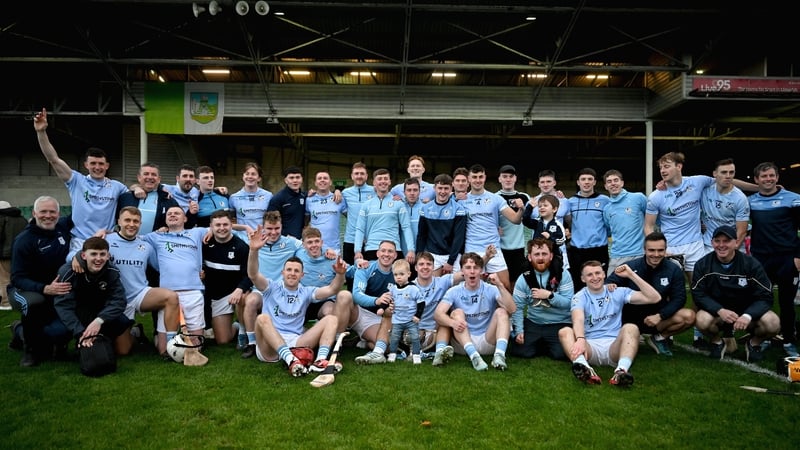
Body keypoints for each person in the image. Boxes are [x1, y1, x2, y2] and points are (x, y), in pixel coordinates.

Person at [247, 230, 347, 377]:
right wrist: (253, 250)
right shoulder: (271, 287)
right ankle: (291, 360)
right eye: (288, 270)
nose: (292, 273)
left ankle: (320, 361)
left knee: (331, 318)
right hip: (269, 346)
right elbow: (253, 274)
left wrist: (340, 274)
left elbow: (332, 289)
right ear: (282, 273)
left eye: (296, 271)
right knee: (262, 318)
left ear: (302, 275)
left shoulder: (306, 291)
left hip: (296, 341)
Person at [33, 108, 129, 260]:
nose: (97, 167)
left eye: (101, 164)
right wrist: (41, 132)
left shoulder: (117, 187)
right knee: (74, 270)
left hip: (107, 241)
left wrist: (139, 188)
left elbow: (135, 194)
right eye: (93, 163)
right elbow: (53, 159)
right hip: (80, 242)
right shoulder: (76, 180)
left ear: (107, 166)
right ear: (86, 165)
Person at [239, 211, 336, 358]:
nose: (273, 232)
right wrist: (246, 229)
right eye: (269, 229)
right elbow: (252, 273)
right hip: (264, 286)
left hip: (285, 289)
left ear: (281, 227)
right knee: (252, 301)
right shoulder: (255, 240)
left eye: (277, 228)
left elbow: (312, 243)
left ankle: (317, 354)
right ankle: (252, 343)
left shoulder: (291, 242)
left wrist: (327, 250)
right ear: (263, 227)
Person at [559, 261, 661, 387]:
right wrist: (580, 339)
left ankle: (621, 371)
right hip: (590, 348)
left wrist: (631, 275)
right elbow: (578, 319)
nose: (595, 277)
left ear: (604, 275)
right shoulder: (579, 297)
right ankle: (585, 369)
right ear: (583, 278)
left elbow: (654, 298)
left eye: (597, 273)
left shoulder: (618, 292)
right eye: (590, 275)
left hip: (615, 347)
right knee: (564, 331)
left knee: (631, 327)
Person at [691, 225, 781, 362]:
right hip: (719, 314)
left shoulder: (751, 264)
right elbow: (698, 294)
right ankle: (717, 343)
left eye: (726, 241)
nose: (721, 245)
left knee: (773, 322)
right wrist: (719, 310)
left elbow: (766, 296)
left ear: (736, 242)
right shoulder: (703, 264)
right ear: (712, 243)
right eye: (717, 241)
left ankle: (753, 344)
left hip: (747, 314)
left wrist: (748, 315)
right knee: (700, 319)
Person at [105, 206, 181, 356]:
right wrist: (76, 259)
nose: (131, 224)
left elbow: (162, 267)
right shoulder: (106, 240)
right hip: (118, 299)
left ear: (140, 224)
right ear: (119, 221)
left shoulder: (146, 246)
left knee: (171, 297)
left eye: (136, 221)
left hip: (140, 294)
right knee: (123, 351)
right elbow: (85, 253)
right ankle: (136, 332)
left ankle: (172, 343)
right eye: (127, 220)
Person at [7, 196, 73, 367]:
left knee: (59, 331)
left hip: (56, 290)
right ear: (34, 213)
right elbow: (17, 278)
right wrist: (44, 288)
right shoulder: (24, 240)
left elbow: (89, 210)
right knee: (33, 303)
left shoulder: (62, 228)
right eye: (43, 212)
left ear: (58, 214)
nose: (48, 216)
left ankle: (22, 331)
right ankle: (30, 350)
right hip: (25, 290)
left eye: (52, 212)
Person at [607, 232, 695, 357]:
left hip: (657, 320)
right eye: (651, 250)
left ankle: (659, 338)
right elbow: (608, 283)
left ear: (665, 250)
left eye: (660, 250)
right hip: (629, 320)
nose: (656, 254)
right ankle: (626, 334)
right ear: (644, 250)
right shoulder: (630, 267)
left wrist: (660, 316)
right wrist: (610, 285)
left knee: (689, 316)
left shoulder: (673, 269)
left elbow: (680, 298)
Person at [747, 162, 800, 357]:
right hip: (760, 259)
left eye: (771, 176)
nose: (768, 179)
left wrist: (798, 256)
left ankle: (788, 340)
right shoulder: (750, 202)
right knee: (762, 300)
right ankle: (764, 336)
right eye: (764, 176)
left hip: (787, 258)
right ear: (756, 180)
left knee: (787, 302)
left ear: (777, 177)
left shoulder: (794, 200)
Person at [142, 206, 209, 359]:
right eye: (169, 214)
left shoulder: (196, 232)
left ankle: (183, 340)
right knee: (163, 350)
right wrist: (105, 233)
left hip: (193, 290)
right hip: (167, 295)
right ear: (165, 220)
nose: (172, 215)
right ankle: (163, 338)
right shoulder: (156, 236)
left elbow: (222, 227)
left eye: (177, 213)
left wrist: (243, 226)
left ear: (185, 219)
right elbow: (129, 237)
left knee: (197, 346)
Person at [433, 252, 516, 371]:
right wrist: (453, 323)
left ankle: (499, 356)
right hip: (464, 343)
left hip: (488, 340)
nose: (472, 271)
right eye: (468, 267)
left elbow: (512, 309)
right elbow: (437, 314)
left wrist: (500, 285)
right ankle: (474, 357)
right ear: (462, 271)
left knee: (502, 312)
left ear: (481, 271)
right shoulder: (454, 291)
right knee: (457, 313)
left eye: (476, 268)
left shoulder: (491, 288)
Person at [53, 237, 133, 355]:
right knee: (55, 331)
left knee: (122, 322)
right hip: (76, 313)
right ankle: (22, 331)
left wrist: (99, 321)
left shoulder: (112, 271)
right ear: (84, 255)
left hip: (98, 314)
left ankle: (101, 339)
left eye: (102, 254)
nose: (98, 258)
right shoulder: (68, 271)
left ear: (108, 256)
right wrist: (80, 332)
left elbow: (119, 301)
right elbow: (63, 306)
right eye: (94, 254)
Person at [645, 152, 715, 282]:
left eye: (666, 166)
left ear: (679, 167)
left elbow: (724, 182)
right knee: (667, 292)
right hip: (670, 248)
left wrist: (758, 188)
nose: (663, 170)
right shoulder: (656, 196)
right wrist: (659, 249)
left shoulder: (697, 181)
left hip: (695, 246)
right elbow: (648, 226)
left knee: (698, 290)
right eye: (661, 168)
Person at [462, 164, 524, 292]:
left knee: (505, 287)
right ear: (469, 179)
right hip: (472, 250)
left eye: (480, 177)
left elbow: (515, 220)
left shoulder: (496, 198)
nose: (477, 180)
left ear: (485, 177)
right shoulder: (461, 200)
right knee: (472, 288)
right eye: (474, 177)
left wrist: (521, 209)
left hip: (493, 249)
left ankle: (504, 312)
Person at [511, 238, 575, 360]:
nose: (540, 258)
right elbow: (517, 307)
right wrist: (519, 330)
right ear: (529, 257)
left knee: (561, 354)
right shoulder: (523, 278)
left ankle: (546, 343)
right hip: (535, 322)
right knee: (520, 350)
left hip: (559, 322)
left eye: (544, 254)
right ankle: (543, 343)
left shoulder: (563, 274)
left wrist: (550, 296)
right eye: (536, 254)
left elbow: (569, 303)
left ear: (551, 256)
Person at [202, 210, 252, 346]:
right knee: (223, 340)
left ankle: (243, 331)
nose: (222, 228)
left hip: (235, 293)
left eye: (225, 224)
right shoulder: (205, 243)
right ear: (211, 227)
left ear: (231, 225)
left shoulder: (242, 247)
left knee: (243, 297)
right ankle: (236, 325)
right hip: (216, 296)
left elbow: (250, 275)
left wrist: (240, 289)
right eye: (217, 225)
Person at [351, 240, 400, 364]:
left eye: (390, 251)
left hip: (382, 318)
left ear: (395, 255)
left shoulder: (399, 273)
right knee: (344, 297)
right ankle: (337, 341)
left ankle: (366, 343)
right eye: (383, 251)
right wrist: (377, 300)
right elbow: (357, 296)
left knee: (388, 347)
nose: (386, 254)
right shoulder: (366, 267)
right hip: (362, 313)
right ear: (377, 253)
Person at [354, 168, 414, 263]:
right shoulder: (366, 205)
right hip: (372, 249)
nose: (383, 181)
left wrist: (411, 249)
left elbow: (406, 227)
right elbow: (360, 229)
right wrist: (357, 250)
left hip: (394, 250)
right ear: (374, 182)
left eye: (385, 179)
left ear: (390, 182)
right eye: (380, 179)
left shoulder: (398, 203)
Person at [566, 168, 610, 290]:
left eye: (590, 179)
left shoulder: (605, 200)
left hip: (599, 250)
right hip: (577, 251)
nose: (586, 182)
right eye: (583, 179)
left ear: (595, 182)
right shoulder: (570, 202)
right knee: (578, 284)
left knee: (599, 283)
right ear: (578, 182)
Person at [416, 173, 466, 276]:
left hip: (453, 256)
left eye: (446, 188)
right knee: (433, 288)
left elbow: (459, 237)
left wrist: (451, 261)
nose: (442, 192)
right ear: (434, 188)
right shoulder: (425, 209)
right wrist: (419, 256)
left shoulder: (458, 209)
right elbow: (421, 235)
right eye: (440, 188)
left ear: (451, 188)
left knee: (455, 288)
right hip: (433, 254)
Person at [700, 159, 750, 255]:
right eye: (724, 172)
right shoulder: (704, 191)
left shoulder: (740, 198)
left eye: (731, 172)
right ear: (715, 174)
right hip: (708, 246)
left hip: (731, 247)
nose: (728, 176)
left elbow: (742, 231)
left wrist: (732, 251)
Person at [602, 169, 647, 274]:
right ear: (605, 186)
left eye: (616, 180)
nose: (613, 183)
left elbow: (652, 220)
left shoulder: (638, 198)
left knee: (640, 287)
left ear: (622, 183)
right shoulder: (607, 209)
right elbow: (609, 230)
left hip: (639, 253)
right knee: (611, 287)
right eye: (609, 181)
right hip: (616, 255)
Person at [117, 162, 181, 234]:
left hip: (153, 244)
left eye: (154, 174)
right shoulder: (125, 198)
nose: (150, 177)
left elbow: (180, 223)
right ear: (139, 177)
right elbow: (116, 220)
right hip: (127, 243)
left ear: (159, 179)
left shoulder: (168, 200)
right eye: (146, 174)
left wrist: (168, 229)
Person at [496, 164, 530, 288]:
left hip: (519, 247)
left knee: (516, 283)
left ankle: (516, 307)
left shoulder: (524, 197)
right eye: (505, 176)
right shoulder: (495, 198)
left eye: (511, 176)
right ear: (499, 179)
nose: (508, 179)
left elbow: (536, 216)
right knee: (503, 284)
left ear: (515, 178)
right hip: (500, 248)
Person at [525, 169, 570, 260]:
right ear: (538, 184)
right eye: (542, 182)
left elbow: (569, 221)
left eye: (548, 181)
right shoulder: (532, 202)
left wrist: (569, 231)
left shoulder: (564, 201)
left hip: (559, 249)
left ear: (554, 183)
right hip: (538, 250)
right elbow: (525, 221)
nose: (545, 184)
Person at [386, 259, 424, 364]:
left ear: (409, 274)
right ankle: (392, 354)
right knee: (394, 338)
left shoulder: (413, 289)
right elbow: (388, 300)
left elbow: (421, 303)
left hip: (411, 320)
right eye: (395, 274)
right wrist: (386, 306)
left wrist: (418, 315)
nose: (398, 277)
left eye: (401, 274)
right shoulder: (393, 289)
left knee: (415, 337)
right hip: (397, 320)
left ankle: (416, 355)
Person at [341, 162, 375, 266]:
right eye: (356, 173)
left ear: (366, 176)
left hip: (370, 241)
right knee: (350, 274)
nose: (359, 176)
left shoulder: (375, 191)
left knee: (370, 274)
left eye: (362, 173)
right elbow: (345, 212)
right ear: (352, 176)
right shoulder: (345, 193)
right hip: (350, 240)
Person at [306, 170, 346, 252]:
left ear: (330, 182)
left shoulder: (339, 199)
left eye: (325, 178)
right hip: (314, 247)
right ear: (315, 183)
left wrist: (338, 191)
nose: (322, 180)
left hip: (334, 247)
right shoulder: (309, 199)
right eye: (319, 178)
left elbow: (351, 218)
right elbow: (305, 221)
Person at [523, 194, 567, 265]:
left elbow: (561, 240)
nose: (542, 208)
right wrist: (530, 207)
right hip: (537, 254)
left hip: (553, 256)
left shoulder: (557, 224)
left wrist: (550, 238)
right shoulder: (537, 222)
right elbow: (525, 220)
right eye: (540, 206)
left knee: (556, 272)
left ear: (554, 209)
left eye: (545, 205)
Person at [228, 162, 273, 231]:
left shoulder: (268, 196)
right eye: (247, 174)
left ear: (259, 178)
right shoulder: (234, 198)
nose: (250, 176)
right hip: (243, 239)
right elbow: (230, 222)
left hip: (263, 238)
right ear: (243, 177)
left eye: (253, 174)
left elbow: (272, 220)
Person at [0, 200, 28, 310]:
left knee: (4, 279)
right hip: (20, 254)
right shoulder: (22, 219)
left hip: (4, 254)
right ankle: (18, 300)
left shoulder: (2, 218)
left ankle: (6, 303)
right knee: (16, 278)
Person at [268, 166, 308, 239]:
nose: (295, 180)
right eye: (291, 178)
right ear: (286, 180)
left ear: (302, 179)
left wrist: (336, 190)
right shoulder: (278, 198)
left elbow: (322, 194)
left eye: (298, 177)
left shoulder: (305, 196)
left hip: (301, 241)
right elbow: (270, 222)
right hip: (283, 241)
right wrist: (284, 235)